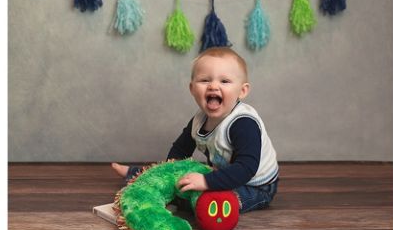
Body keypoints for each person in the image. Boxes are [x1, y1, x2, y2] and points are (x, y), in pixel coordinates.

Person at [112, 47, 279, 213]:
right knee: (179, 183)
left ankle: (188, 199)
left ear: (242, 91)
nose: (213, 86)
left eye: (225, 81)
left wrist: (206, 181)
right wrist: (169, 177)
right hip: (223, 173)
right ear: (192, 88)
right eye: (205, 80)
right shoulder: (199, 120)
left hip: (255, 185)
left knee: (211, 203)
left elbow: (246, 168)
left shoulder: (243, 123)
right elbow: (180, 151)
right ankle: (137, 174)